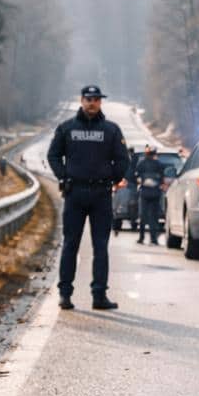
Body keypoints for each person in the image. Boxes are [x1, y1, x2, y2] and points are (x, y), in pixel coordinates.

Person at [46, 85, 126, 311]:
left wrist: (112, 177)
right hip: (75, 194)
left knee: (101, 246)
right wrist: (63, 176)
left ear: (101, 102)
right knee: (70, 245)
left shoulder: (111, 130)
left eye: (96, 99)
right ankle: (65, 295)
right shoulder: (67, 128)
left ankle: (99, 296)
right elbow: (53, 155)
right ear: (81, 100)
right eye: (88, 99)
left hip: (101, 194)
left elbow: (123, 161)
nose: (92, 102)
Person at [132, 145, 166, 245]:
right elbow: (162, 178)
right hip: (155, 193)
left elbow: (135, 176)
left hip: (145, 193)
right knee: (153, 217)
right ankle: (153, 239)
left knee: (143, 216)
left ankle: (142, 238)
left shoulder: (141, 164)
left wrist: (141, 182)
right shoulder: (158, 164)